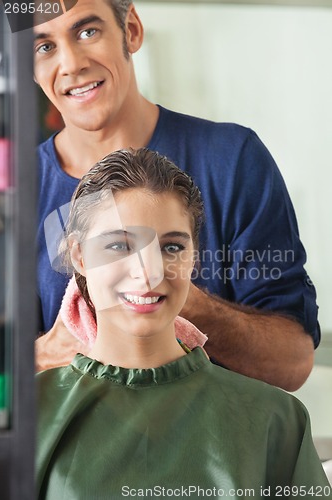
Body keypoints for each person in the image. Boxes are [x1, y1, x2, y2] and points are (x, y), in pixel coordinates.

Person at [34, 0, 319, 390]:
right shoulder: (17, 192)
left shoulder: (231, 160)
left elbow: (292, 363)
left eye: (88, 31)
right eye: (43, 46)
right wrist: (45, 354)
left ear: (131, 30)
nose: (71, 63)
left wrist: (181, 301)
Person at [36, 148, 331, 499]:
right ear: (79, 255)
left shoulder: (277, 423)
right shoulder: (32, 417)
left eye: (171, 247)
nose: (148, 273)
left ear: (194, 257)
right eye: (119, 245)